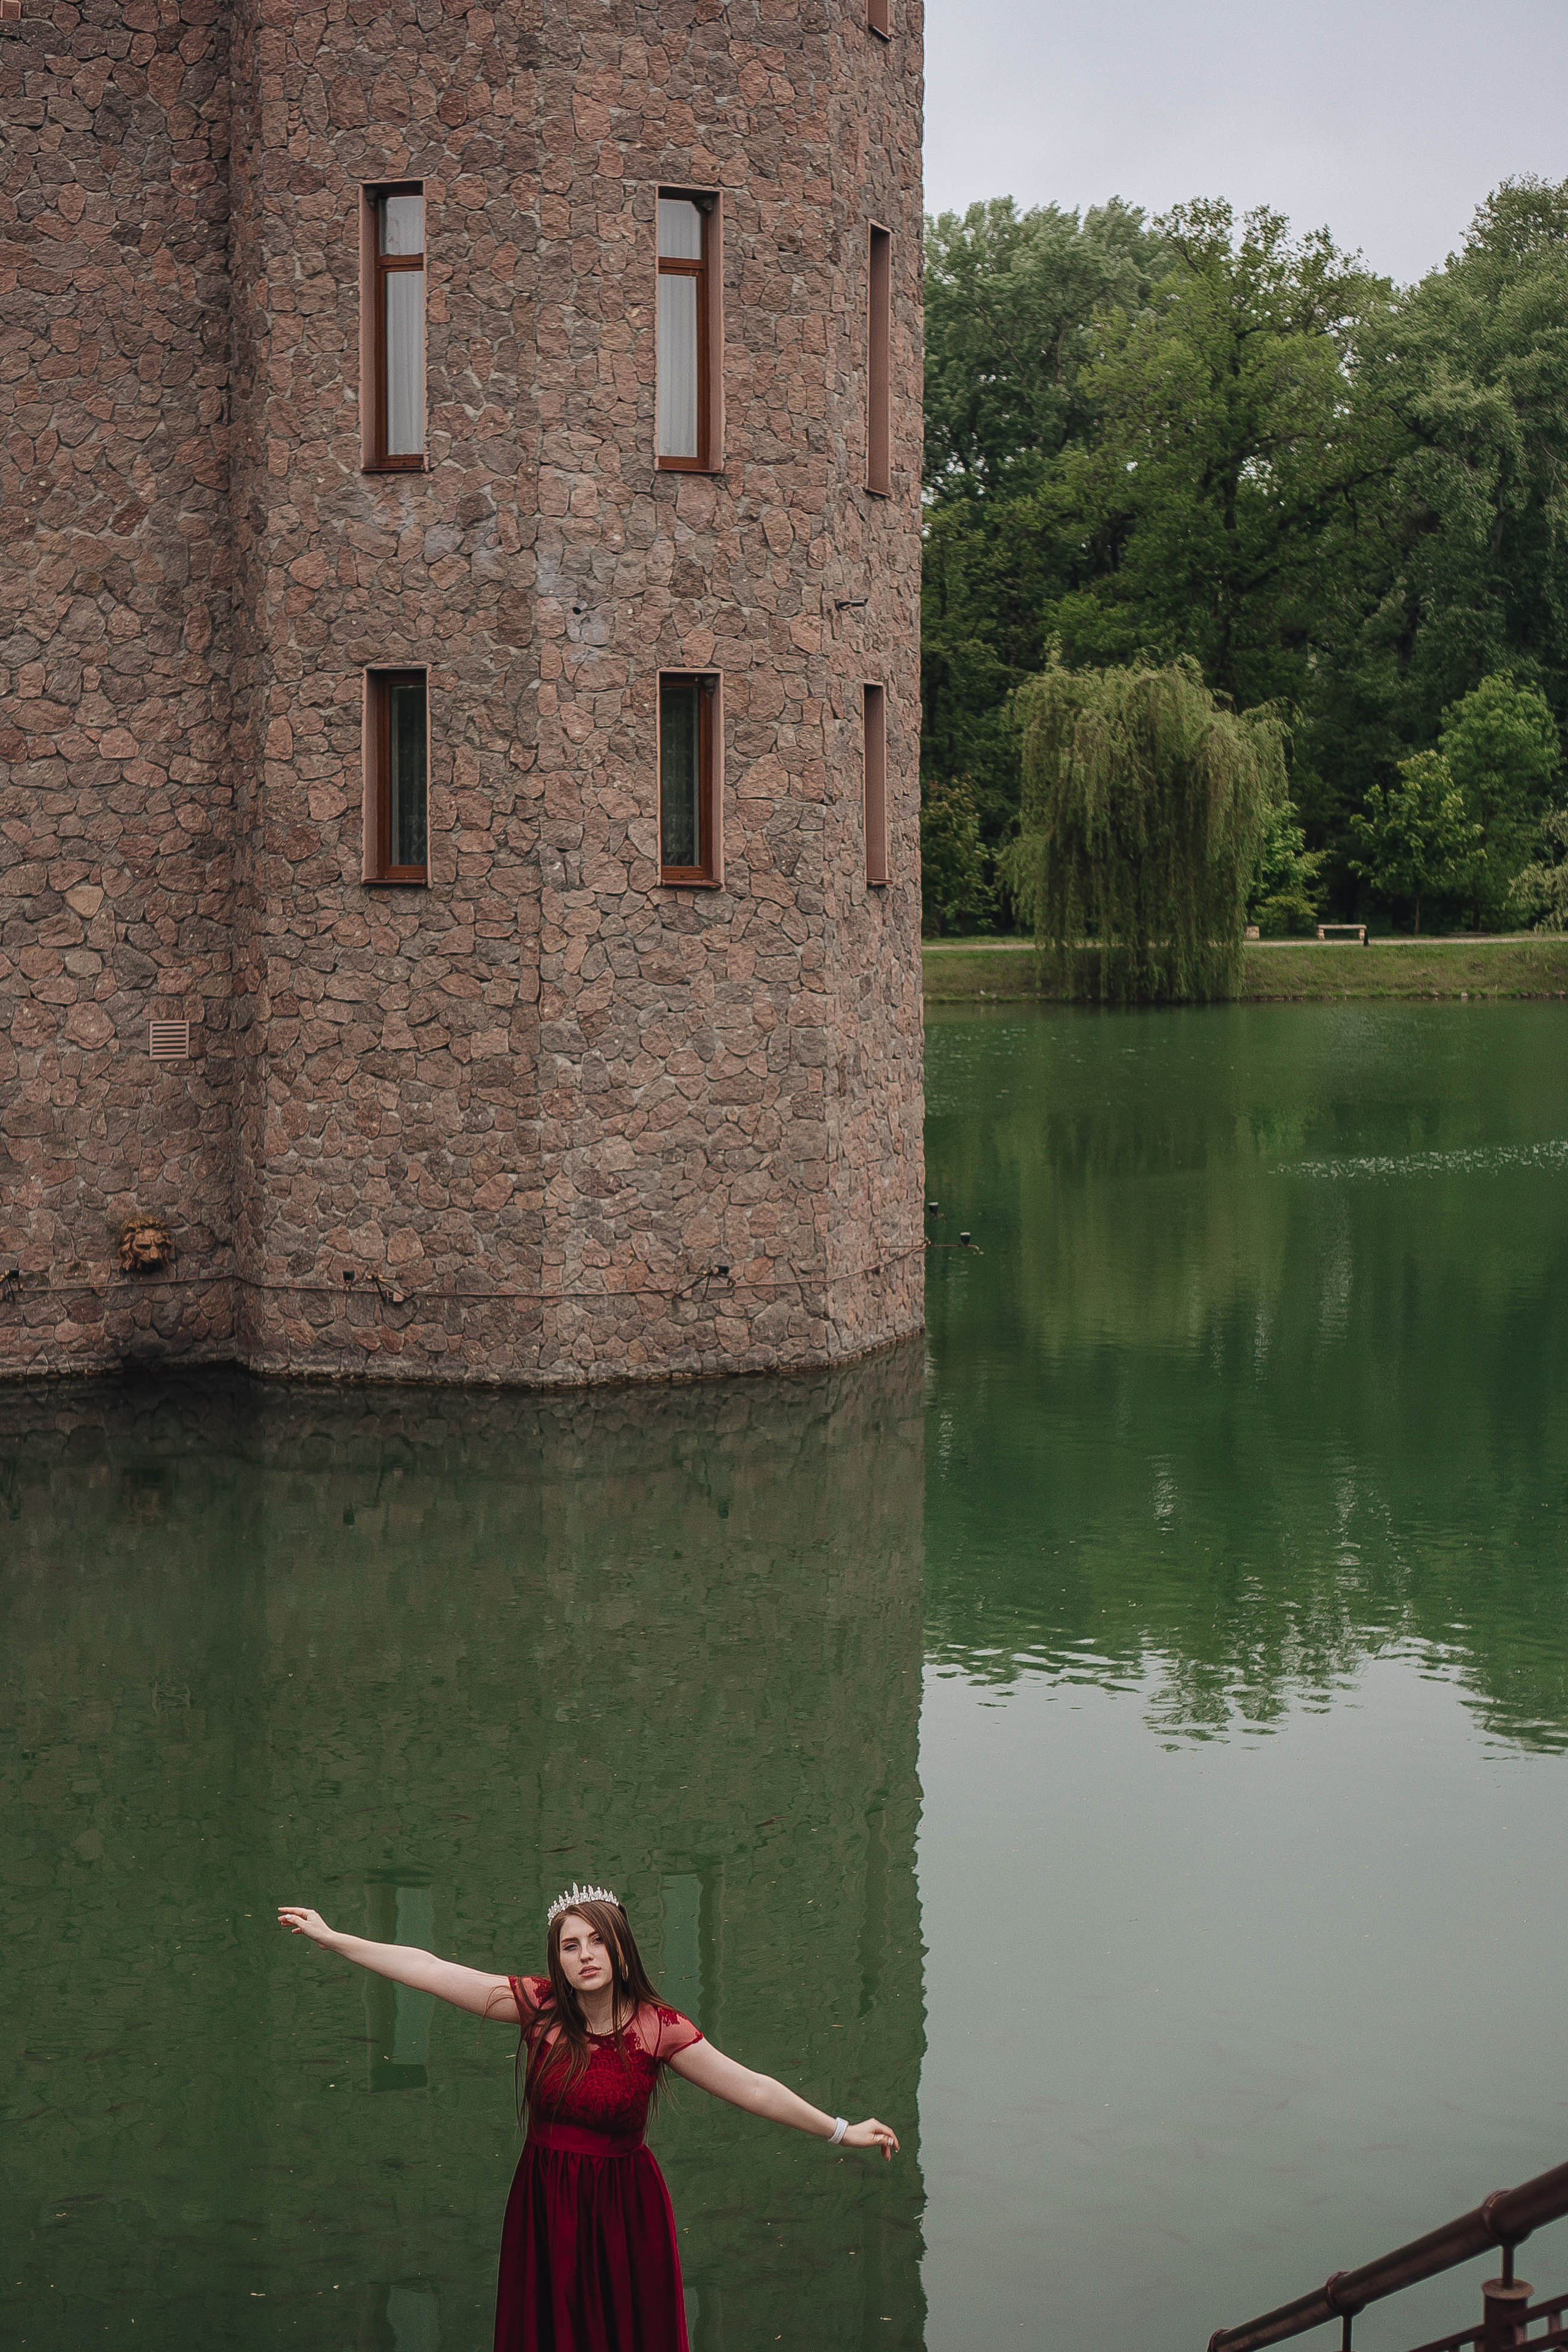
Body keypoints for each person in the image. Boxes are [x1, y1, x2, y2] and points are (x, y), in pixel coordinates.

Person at [278, 1881, 899, 2351]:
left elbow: (754, 2088)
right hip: (546, 2198)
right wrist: (335, 1939)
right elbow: (432, 1970)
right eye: (571, 1946)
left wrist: (840, 2130)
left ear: (621, 1948)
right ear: (559, 1960)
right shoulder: (538, 2007)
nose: (586, 1955)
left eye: (598, 1941)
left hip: (626, 2208)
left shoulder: (659, 2028)